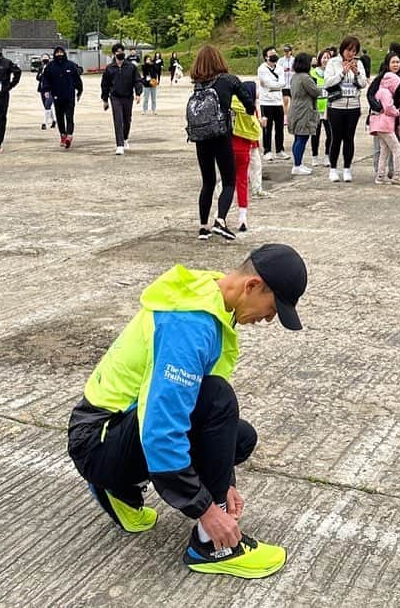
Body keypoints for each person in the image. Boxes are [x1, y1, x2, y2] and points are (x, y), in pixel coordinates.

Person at [67, 243, 307, 579]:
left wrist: (223, 484)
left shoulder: (214, 296)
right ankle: (212, 547)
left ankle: (117, 489)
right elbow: (160, 429)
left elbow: (197, 415)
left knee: (239, 436)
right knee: (218, 398)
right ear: (253, 286)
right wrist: (208, 510)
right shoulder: (190, 325)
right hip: (98, 439)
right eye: (272, 309)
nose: (268, 319)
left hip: (115, 432)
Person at [187, 45, 255, 240]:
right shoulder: (228, 80)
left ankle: (203, 227)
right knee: (228, 181)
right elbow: (249, 103)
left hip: (201, 137)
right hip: (221, 136)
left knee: (207, 182)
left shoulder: (199, 84)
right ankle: (221, 221)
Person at [323, 36, 368, 183]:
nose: (351, 53)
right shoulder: (333, 62)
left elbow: (363, 84)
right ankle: (333, 169)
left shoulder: (359, 63)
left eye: (354, 51)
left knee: (349, 138)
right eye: (349, 50)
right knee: (336, 138)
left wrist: (356, 73)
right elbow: (327, 82)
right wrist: (342, 72)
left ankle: (347, 168)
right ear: (343, 49)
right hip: (336, 106)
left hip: (353, 106)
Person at [230, 80, 263, 231]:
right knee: (242, 181)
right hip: (244, 148)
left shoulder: (230, 105)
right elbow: (256, 130)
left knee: (227, 182)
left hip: (228, 146)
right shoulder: (250, 109)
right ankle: (242, 216)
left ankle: (219, 214)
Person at [101, 42, 143, 155]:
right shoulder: (110, 68)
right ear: (114, 54)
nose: (121, 53)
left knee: (127, 120)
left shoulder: (131, 67)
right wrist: (105, 99)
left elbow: (137, 81)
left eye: (122, 51)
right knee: (118, 120)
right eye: (118, 52)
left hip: (128, 96)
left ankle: (125, 139)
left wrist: (138, 93)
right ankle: (119, 145)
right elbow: (105, 84)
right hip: (115, 97)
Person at [38, 46, 84, 149]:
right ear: (54, 54)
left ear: (64, 53)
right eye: (57, 52)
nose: (59, 54)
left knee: (69, 116)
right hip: (57, 96)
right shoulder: (50, 66)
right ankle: (63, 134)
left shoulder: (70, 65)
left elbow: (77, 79)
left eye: (61, 52)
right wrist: (46, 90)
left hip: (69, 96)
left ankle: (69, 135)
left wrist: (80, 90)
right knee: (59, 117)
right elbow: (45, 79)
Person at [370, 71, 400, 186]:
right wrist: (397, 112)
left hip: (379, 125)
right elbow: (388, 107)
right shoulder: (386, 92)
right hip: (385, 125)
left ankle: (380, 176)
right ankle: (397, 174)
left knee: (385, 150)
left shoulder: (380, 91)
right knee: (398, 149)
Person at [287, 53, 319, 176]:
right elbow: (315, 92)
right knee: (302, 138)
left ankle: (298, 163)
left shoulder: (295, 76)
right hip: (304, 111)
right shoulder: (305, 78)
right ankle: (297, 165)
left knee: (298, 138)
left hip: (295, 109)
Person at [258, 47, 286, 161]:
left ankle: (280, 150)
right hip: (266, 102)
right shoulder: (262, 69)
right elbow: (267, 83)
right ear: (266, 56)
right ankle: (267, 151)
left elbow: (283, 83)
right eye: (271, 54)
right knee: (267, 128)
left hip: (278, 101)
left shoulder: (280, 68)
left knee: (279, 127)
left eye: (275, 53)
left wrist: (274, 85)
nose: (274, 55)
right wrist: (276, 84)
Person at [310, 50, 332, 167]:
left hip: (329, 108)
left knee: (330, 134)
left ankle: (327, 156)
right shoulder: (312, 73)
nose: (326, 60)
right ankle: (314, 156)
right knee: (315, 134)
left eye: (328, 57)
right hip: (316, 108)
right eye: (324, 57)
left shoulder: (333, 73)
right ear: (319, 59)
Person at [37, 53, 57, 129]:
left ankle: (45, 123)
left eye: (46, 58)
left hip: (50, 89)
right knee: (46, 106)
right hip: (42, 89)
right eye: (43, 58)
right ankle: (54, 120)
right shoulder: (41, 68)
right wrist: (42, 74)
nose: (44, 60)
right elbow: (38, 78)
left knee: (47, 105)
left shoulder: (52, 67)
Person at [277, 44, 295, 119]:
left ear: (291, 52)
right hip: (284, 84)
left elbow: (297, 68)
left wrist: (293, 70)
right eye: (285, 51)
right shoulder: (281, 60)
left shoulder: (294, 60)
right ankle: (285, 117)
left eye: (288, 51)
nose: (286, 53)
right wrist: (283, 70)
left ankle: (292, 116)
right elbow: (277, 69)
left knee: (293, 101)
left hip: (292, 83)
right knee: (285, 100)